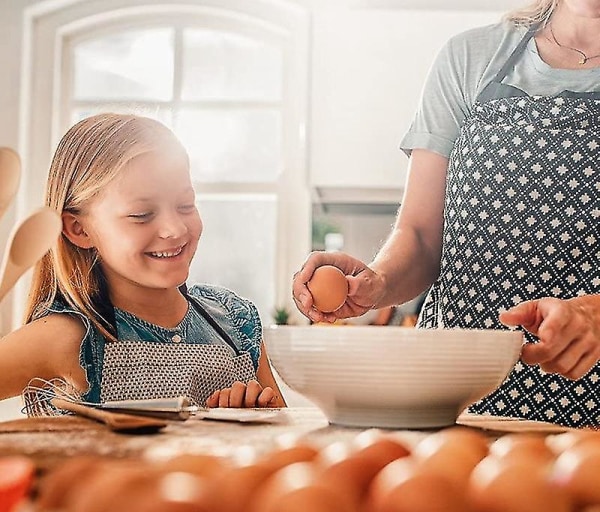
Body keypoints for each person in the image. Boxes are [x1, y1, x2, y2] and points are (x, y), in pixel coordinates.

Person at [293, 0, 600, 428]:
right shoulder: (470, 58)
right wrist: (375, 282)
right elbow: (419, 236)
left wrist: (595, 315)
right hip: (455, 399)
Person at [0, 113, 285, 411]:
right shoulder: (66, 337)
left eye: (185, 205)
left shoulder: (233, 319)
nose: (175, 229)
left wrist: (254, 418)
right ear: (79, 229)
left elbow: (288, 439)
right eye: (142, 215)